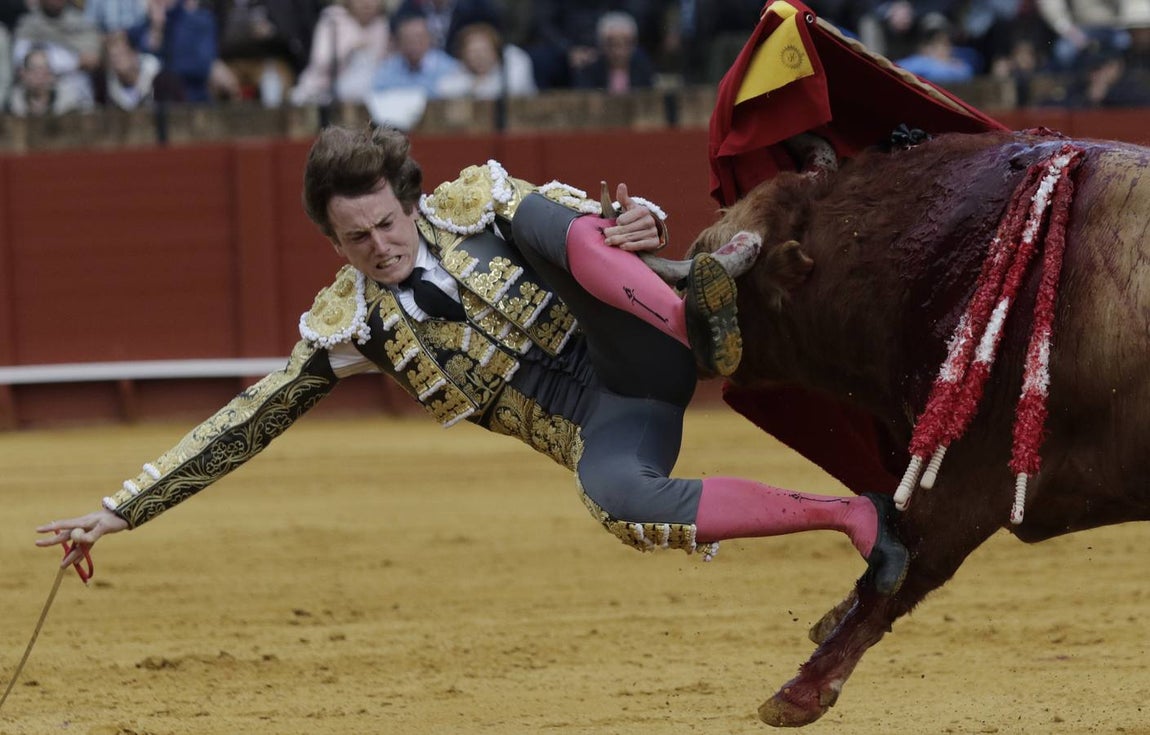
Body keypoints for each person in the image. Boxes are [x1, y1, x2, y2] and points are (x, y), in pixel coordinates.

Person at [36, 124, 909, 604]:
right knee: (614, 499)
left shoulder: (467, 202)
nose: (379, 245)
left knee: (543, 223)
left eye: (387, 222)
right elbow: (246, 419)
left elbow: (596, 229)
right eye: (356, 237)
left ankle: (693, 315)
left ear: (407, 199)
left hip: (632, 331)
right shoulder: (350, 326)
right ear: (332, 241)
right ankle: (849, 517)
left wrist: (636, 220)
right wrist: (120, 510)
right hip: (609, 415)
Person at [289, 0, 390, 105]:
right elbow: (320, 62)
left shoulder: (382, 24)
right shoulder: (332, 20)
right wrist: (350, 49)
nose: (366, 4)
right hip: (322, 92)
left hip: (366, 97)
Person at [434, 21, 536, 99]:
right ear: (463, 55)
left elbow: (513, 88)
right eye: (473, 52)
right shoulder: (462, 69)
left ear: (495, 50)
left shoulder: (514, 58)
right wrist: (472, 84)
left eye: (484, 50)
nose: (480, 57)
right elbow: (443, 89)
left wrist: (479, 85)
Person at [571, 10, 654, 93]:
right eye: (612, 44)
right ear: (602, 44)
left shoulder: (642, 68)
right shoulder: (590, 70)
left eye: (626, 44)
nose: (619, 52)